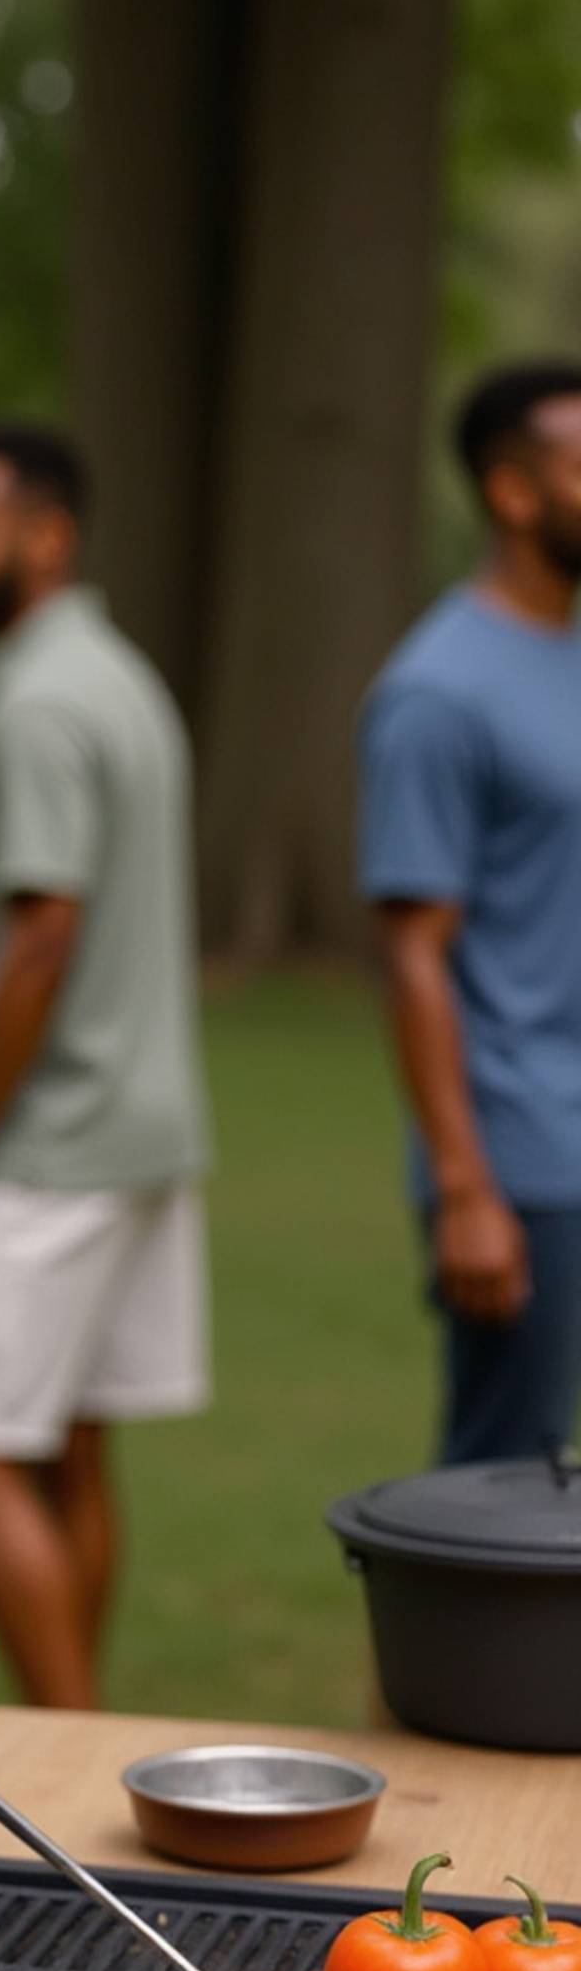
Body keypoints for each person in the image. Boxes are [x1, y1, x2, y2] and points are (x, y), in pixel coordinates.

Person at [0, 423, 211, 1712]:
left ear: (46, 536)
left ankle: (66, 1744)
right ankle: (86, 1728)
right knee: (71, 1450)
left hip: (54, 1141)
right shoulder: (118, 675)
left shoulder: (36, 698)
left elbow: (43, 934)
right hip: (147, 1129)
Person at [359, 359, 581, 1467]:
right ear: (511, 493)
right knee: (503, 1485)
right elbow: (409, 955)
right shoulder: (434, 694)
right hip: (523, 1162)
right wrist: (464, 1191)